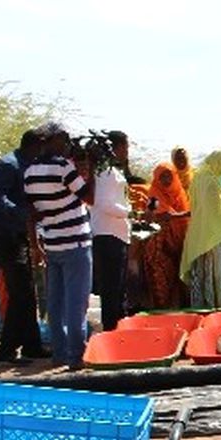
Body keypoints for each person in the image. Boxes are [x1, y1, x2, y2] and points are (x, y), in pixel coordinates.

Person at [23, 122, 94, 368]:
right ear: (54, 141)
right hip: (75, 242)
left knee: (55, 302)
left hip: (53, 243)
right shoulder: (63, 167)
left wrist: (35, 244)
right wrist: (93, 168)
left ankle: (60, 354)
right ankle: (77, 357)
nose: (67, 145)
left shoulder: (30, 171)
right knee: (77, 302)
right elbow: (90, 197)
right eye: (64, 140)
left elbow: (32, 213)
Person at [0, 129, 51, 363]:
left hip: (17, 234)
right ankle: (6, 351)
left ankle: (31, 346)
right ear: (37, 146)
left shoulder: (27, 164)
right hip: (2, 234)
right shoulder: (8, 165)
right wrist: (22, 215)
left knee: (26, 292)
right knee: (21, 293)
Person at [179, 149, 221, 308]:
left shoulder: (198, 178)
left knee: (203, 273)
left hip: (198, 233)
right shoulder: (213, 182)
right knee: (219, 273)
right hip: (215, 234)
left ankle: (202, 308)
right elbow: (217, 211)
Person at [90, 130, 132, 331]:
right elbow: (105, 203)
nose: (126, 151)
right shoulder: (105, 173)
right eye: (125, 147)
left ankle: (118, 329)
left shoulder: (107, 172)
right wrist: (129, 213)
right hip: (109, 236)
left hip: (115, 235)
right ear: (114, 148)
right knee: (111, 290)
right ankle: (112, 332)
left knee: (117, 289)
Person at [140, 162, 190, 309]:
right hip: (162, 245)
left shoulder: (180, 193)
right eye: (162, 177)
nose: (166, 180)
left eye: (169, 175)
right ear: (157, 179)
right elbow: (150, 214)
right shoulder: (154, 195)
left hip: (179, 240)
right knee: (163, 280)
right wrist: (180, 215)